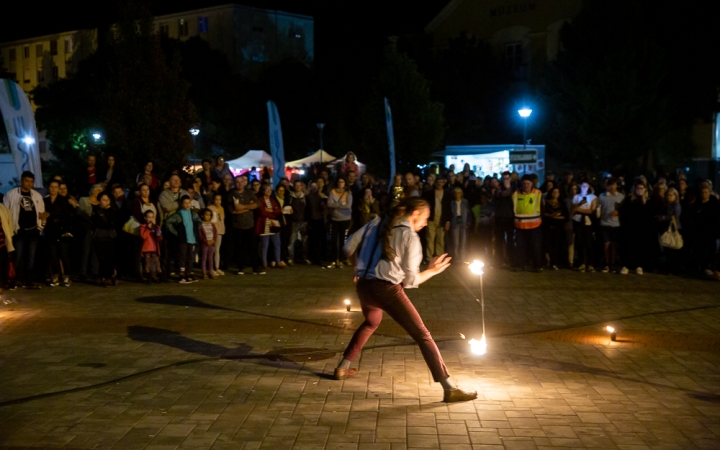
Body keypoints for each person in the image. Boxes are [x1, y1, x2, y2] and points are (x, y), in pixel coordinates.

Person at [336, 197, 476, 402]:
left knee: (372, 321)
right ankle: (449, 387)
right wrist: (433, 271)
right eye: (426, 217)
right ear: (414, 214)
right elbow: (411, 280)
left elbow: (348, 247)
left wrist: (360, 268)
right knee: (423, 334)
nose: (426, 223)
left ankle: (342, 367)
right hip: (387, 289)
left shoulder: (376, 222)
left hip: (364, 286)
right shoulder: (409, 236)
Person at [4, 171, 48, 289]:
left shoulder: (37, 196)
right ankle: (15, 279)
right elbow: (6, 212)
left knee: (31, 256)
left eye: (31, 181)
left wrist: (41, 224)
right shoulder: (11, 194)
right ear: (21, 181)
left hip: (33, 230)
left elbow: (41, 212)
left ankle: (28, 279)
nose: (29, 184)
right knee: (18, 255)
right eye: (27, 181)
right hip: (18, 230)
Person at [44, 180, 74, 287]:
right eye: (51, 186)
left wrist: (50, 214)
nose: (53, 189)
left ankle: (66, 276)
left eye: (55, 187)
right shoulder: (45, 200)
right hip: (49, 231)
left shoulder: (64, 200)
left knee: (64, 255)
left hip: (61, 230)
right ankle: (55, 276)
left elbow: (67, 215)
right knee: (53, 255)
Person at [619, 181, 654, 275]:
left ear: (645, 189)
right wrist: (631, 202)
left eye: (641, 188)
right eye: (638, 188)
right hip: (630, 228)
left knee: (641, 247)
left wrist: (644, 203)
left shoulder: (648, 201)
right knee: (629, 247)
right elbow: (624, 213)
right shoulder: (629, 199)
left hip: (643, 229)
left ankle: (639, 266)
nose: (639, 190)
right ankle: (626, 265)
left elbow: (650, 215)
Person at [230, 175, 263, 275]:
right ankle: (241, 268)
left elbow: (258, 204)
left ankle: (255, 268)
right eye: (237, 182)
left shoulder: (249, 192)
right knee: (240, 247)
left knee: (253, 247)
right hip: (237, 225)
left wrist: (244, 207)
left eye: (241, 182)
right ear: (234, 183)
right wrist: (249, 207)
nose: (240, 184)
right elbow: (232, 210)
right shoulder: (231, 194)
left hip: (250, 224)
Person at [158, 175, 189, 280]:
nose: (176, 181)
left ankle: (182, 273)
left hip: (182, 225)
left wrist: (174, 205)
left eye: (178, 180)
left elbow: (187, 206)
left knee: (181, 251)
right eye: (173, 180)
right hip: (168, 225)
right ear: (169, 182)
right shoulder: (164, 194)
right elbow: (166, 207)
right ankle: (165, 274)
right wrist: (179, 203)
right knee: (167, 251)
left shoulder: (185, 193)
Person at [165, 196, 201, 283]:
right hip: (183, 240)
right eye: (185, 203)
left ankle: (188, 273)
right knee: (182, 257)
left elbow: (200, 221)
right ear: (181, 204)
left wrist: (195, 230)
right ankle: (181, 274)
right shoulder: (179, 214)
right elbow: (168, 222)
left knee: (191, 257)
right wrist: (176, 233)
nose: (187, 205)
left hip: (192, 240)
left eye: (189, 203)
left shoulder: (193, 214)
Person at [512, 174, 543, 272]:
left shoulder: (538, 193)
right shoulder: (515, 194)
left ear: (532, 184)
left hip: (534, 225)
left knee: (535, 247)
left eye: (528, 183)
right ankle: (519, 265)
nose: (526, 185)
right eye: (524, 183)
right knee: (519, 247)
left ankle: (537, 266)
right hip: (520, 226)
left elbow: (542, 208)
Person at [91, 193, 119, 287]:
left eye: (107, 200)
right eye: (103, 200)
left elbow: (113, 223)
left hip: (110, 237)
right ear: (99, 201)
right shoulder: (95, 211)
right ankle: (104, 277)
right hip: (99, 237)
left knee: (109, 258)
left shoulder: (113, 210)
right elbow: (98, 223)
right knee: (102, 259)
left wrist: (110, 210)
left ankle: (111, 273)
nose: (106, 202)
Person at [598, 178, 624, 273]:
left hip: (616, 224)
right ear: (606, 186)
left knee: (614, 245)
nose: (612, 187)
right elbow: (598, 207)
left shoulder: (621, 196)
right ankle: (606, 263)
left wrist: (618, 212)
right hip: (604, 223)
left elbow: (624, 210)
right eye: (610, 185)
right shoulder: (602, 196)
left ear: (616, 185)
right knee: (606, 244)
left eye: (613, 184)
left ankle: (612, 264)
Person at [256, 185, 284, 269]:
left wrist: (270, 210)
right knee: (265, 245)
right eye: (267, 189)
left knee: (277, 244)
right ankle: (264, 263)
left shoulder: (272, 200)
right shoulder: (260, 200)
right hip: (264, 225)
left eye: (270, 189)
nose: (269, 191)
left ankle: (278, 262)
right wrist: (273, 212)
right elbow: (262, 212)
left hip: (273, 225)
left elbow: (278, 211)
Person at [571, 181, 597, 272]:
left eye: (586, 186)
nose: (584, 187)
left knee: (589, 243)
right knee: (580, 243)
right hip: (577, 221)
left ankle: (590, 263)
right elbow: (573, 210)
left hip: (588, 222)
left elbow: (591, 211)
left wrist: (579, 209)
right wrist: (579, 206)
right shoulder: (576, 197)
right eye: (583, 186)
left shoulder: (593, 197)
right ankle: (582, 263)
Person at [423, 178, 450, 265]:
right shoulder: (429, 193)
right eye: (438, 182)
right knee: (430, 239)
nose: (439, 184)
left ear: (443, 183)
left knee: (440, 240)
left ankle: (439, 257)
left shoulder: (447, 194)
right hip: (431, 219)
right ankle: (429, 258)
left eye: (441, 182)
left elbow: (448, 208)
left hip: (441, 219)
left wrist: (447, 220)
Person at [328, 178, 353, 268]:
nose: (340, 183)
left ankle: (342, 259)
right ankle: (334, 259)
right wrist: (340, 204)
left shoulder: (348, 193)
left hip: (345, 219)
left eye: (342, 181)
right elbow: (329, 204)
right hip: (334, 219)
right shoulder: (332, 192)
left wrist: (335, 205)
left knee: (343, 240)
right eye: (339, 181)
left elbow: (348, 206)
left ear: (345, 183)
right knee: (333, 240)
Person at [542, 186, 568, 270]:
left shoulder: (562, 203)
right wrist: (550, 215)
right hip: (547, 226)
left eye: (557, 192)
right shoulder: (546, 202)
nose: (555, 194)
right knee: (547, 244)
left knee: (556, 245)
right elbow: (543, 214)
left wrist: (556, 217)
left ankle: (554, 262)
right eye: (553, 192)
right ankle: (546, 261)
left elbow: (566, 216)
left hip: (558, 227)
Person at [494, 171, 515, 267]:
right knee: (499, 240)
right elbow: (499, 195)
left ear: (510, 178)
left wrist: (508, 189)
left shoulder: (514, 188)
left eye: (507, 178)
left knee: (510, 240)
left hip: (510, 217)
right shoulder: (498, 189)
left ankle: (511, 260)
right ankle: (499, 260)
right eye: (504, 179)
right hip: (500, 217)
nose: (505, 180)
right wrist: (507, 189)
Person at [288, 180, 310, 265]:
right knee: (291, 241)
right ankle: (290, 257)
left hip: (303, 222)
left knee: (305, 241)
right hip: (294, 222)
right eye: (296, 185)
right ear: (293, 186)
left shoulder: (305, 197)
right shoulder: (290, 197)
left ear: (301, 186)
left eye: (299, 185)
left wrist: (307, 220)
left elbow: (308, 209)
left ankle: (305, 257)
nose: (298, 187)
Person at [306, 181, 327, 265]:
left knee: (320, 240)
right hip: (312, 220)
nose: (314, 187)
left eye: (315, 186)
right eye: (312, 186)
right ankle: (313, 257)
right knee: (312, 240)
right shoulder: (307, 197)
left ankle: (319, 257)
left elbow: (326, 207)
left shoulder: (321, 196)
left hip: (320, 219)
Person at [139, 210, 162, 283]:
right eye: (149, 217)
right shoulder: (142, 227)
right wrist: (148, 229)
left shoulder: (156, 227)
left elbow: (160, 237)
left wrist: (159, 235)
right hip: (146, 248)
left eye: (152, 217)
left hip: (154, 248)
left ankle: (159, 275)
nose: (150, 219)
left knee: (156, 262)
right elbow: (143, 236)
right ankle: (148, 277)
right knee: (147, 263)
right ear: (145, 218)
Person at [449, 187, 470, 263]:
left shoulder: (465, 202)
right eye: (456, 193)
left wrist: (468, 222)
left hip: (463, 222)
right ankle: (456, 258)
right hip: (455, 222)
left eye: (459, 193)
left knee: (463, 241)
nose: (457, 194)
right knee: (456, 242)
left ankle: (462, 258)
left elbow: (469, 213)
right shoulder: (452, 203)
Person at [208, 193, 226, 275]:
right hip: (212, 231)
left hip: (220, 231)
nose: (218, 201)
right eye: (216, 199)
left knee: (217, 250)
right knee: (211, 250)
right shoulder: (210, 208)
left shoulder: (222, 208)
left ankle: (217, 267)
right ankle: (211, 268)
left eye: (220, 200)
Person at [274, 184, 292, 265]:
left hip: (286, 223)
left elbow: (290, 209)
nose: (281, 192)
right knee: (276, 242)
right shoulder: (274, 200)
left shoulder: (287, 200)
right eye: (279, 190)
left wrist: (291, 211)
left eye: (283, 191)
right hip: (277, 223)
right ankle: (275, 258)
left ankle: (282, 258)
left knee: (284, 241)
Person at [0, 202, 14, 294]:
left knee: (1, 265)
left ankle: (1, 285)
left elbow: (9, 224)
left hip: (1, 243)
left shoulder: (3, 208)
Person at [198, 208, 217, 279]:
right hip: (204, 244)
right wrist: (206, 241)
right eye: (206, 215)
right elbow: (200, 235)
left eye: (209, 215)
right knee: (204, 258)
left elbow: (215, 233)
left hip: (211, 244)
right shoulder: (201, 225)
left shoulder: (212, 224)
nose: (208, 216)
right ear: (202, 216)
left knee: (210, 258)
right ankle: (204, 273)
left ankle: (211, 272)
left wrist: (213, 240)